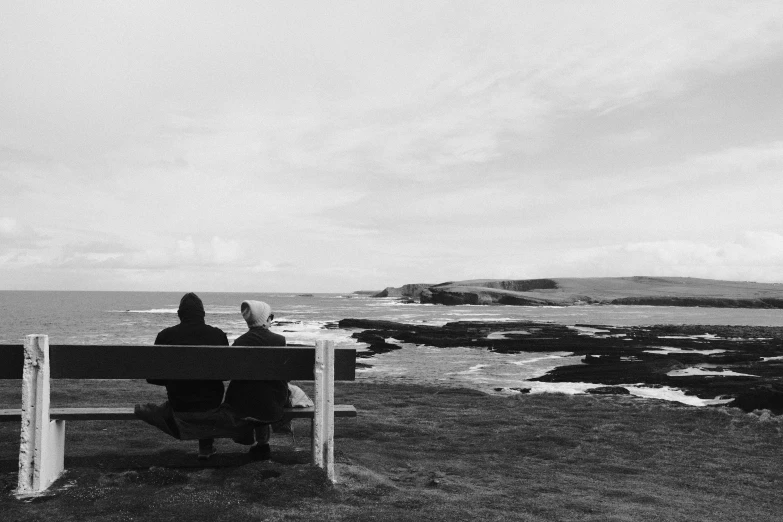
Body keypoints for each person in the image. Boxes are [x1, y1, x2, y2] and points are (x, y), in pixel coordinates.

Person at [147, 292, 229, 460]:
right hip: (211, 403)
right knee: (206, 394)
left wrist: (176, 379)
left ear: (179, 314)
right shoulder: (218, 335)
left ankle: (190, 435)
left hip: (179, 403)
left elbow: (152, 377)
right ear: (203, 314)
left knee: (185, 395)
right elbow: (226, 375)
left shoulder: (165, 336)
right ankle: (206, 448)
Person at [224, 300, 289, 460]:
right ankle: (262, 443)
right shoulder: (279, 341)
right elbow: (284, 374)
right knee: (268, 391)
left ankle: (254, 440)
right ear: (265, 320)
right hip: (271, 403)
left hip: (242, 404)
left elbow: (230, 373)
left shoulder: (239, 342)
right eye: (270, 317)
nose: (271, 320)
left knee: (254, 389)